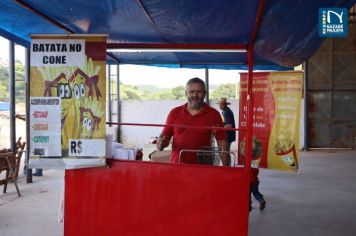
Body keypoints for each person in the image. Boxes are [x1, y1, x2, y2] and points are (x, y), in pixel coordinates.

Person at [157, 77, 229, 166]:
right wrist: (160, 144)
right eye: (192, 91)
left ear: (205, 94)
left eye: (199, 91)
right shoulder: (174, 113)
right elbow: (164, 138)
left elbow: (222, 143)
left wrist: (226, 168)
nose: (195, 95)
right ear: (186, 93)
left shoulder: (214, 114)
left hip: (203, 168)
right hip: (177, 166)